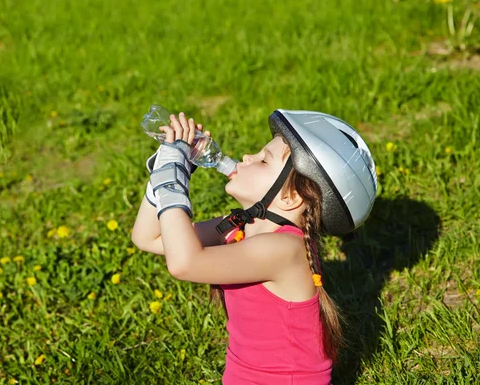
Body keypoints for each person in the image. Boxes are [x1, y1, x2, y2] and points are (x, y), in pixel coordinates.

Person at [131, 109, 377, 384]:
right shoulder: (238, 227)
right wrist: (163, 176)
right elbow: (148, 238)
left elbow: (184, 263)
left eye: (263, 160)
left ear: (290, 198)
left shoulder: (284, 248)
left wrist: (171, 177)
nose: (247, 157)